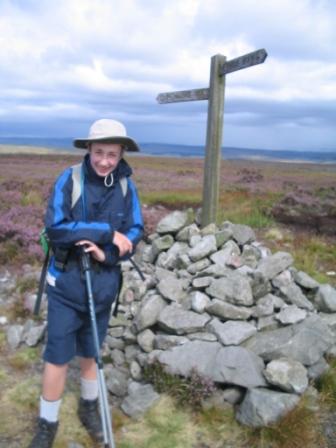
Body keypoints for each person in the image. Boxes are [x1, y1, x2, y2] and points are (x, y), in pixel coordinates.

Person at [28, 119, 144, 447]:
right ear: (88, 150)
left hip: (105, 285)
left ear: (122, 154)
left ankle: (89, 410)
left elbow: (136, 230)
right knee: (57, 356)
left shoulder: (126, 186)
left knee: (92, 352)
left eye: (112, 153)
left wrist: (107, 254)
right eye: (99, 152)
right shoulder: (70, 179)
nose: (105, 160)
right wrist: (106, 233)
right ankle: (46, 425)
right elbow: (57, 229)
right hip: (67, 285)